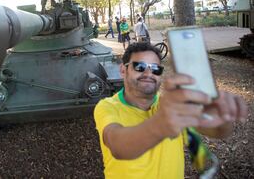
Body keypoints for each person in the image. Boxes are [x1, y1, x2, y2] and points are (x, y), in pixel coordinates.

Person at [94, 42, 248, 179]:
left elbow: (217, 131)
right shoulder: (107, 107)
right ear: (123, 70)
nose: (149, 74)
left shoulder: (171, 104)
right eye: (139, 67)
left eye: (156, 69)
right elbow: (118, 146)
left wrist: (223, 116)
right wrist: (162, 122)